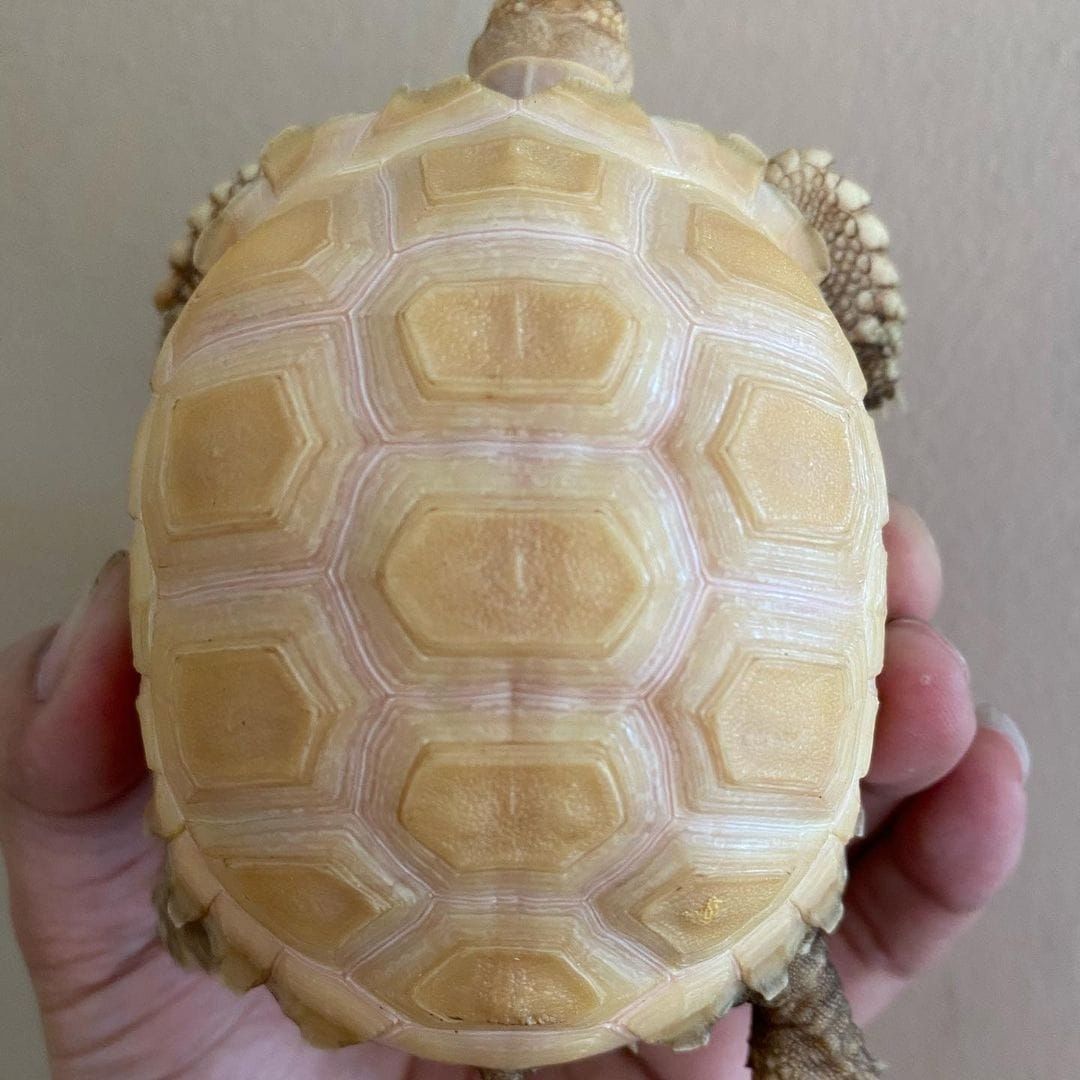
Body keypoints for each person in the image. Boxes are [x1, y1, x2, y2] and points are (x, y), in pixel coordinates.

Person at [0, 500, 1028, 1079]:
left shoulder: (302, 216)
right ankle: (780, 967)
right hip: (681, 894)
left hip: (317, 903)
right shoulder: (719, 209)